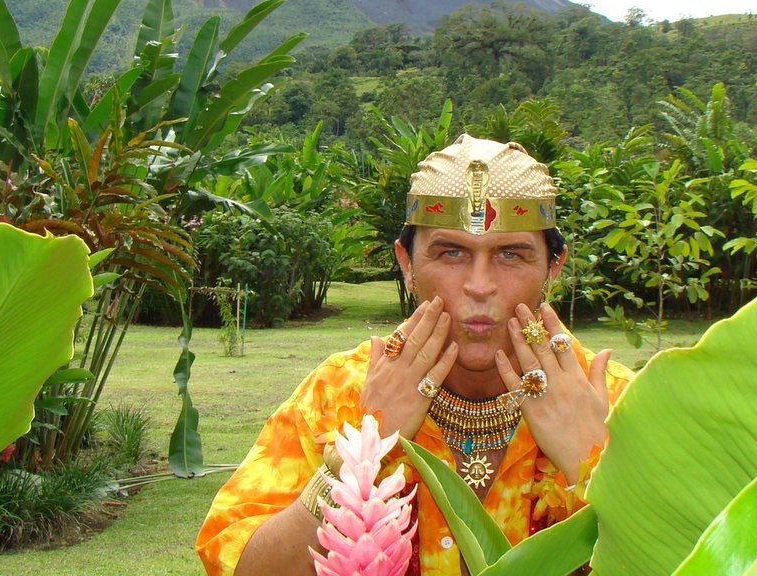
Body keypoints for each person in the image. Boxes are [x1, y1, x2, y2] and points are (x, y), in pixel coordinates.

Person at [197, 134, 635, 575]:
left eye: (510, 254)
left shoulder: (621, 403)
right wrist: (357, 457)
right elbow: (236, 562)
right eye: (451, 253)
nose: (479, 285)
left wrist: (597, 466)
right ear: (407, 264)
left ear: (552, 267)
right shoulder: (339, 394)